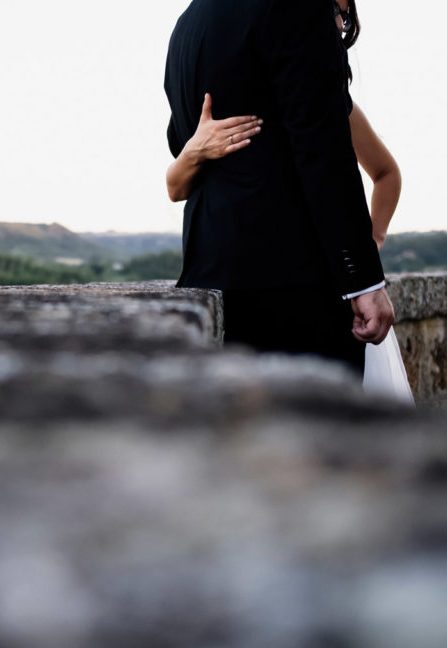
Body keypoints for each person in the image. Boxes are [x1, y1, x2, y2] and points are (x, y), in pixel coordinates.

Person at [164, 0, 395, 373]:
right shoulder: (296, 7)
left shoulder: (189, 22)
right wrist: (364, 281)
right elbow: (323, 151)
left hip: (208, 279)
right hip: (296, 289)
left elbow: (180, 142)